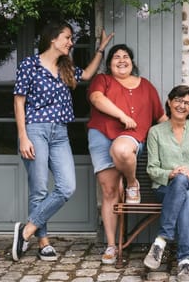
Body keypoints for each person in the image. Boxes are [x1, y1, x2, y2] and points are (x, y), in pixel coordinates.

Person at [11, 20, 114, 261]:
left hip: (60, 134)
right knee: (38, 189)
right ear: (52, 39)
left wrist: (100, 49)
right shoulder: (29, 65)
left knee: (67, 186)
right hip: (35, 130)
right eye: (67, 37)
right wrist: (23, 136)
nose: (70, 42)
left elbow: (87, 74)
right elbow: (19, 102)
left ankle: (26, 230)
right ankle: (44, 243)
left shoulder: (65, 68)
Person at [87, 44, 167, 264]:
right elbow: (97, 99)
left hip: (130, 136)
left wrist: (183, 133)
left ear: (132, 62)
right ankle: (112, 245)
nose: (121, 60)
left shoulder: (146, 87)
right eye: (116, 57)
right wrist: (122, 115)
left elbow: (160, 118)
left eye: (125, 56)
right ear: (109, 63)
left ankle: (132, 183)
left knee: (121, 149)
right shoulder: (103, 80)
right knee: (109, 190)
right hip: (101, 135)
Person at [143, 85, 189, 281]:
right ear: (169, 102)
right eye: (178, 100)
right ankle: (185, 262)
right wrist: (170, 173)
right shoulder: (156, 132)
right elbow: (151, 169)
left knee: (186, 184)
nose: (182, 105)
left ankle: (161, 240)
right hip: (165, 188)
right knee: (187, 197)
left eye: (187, 103)